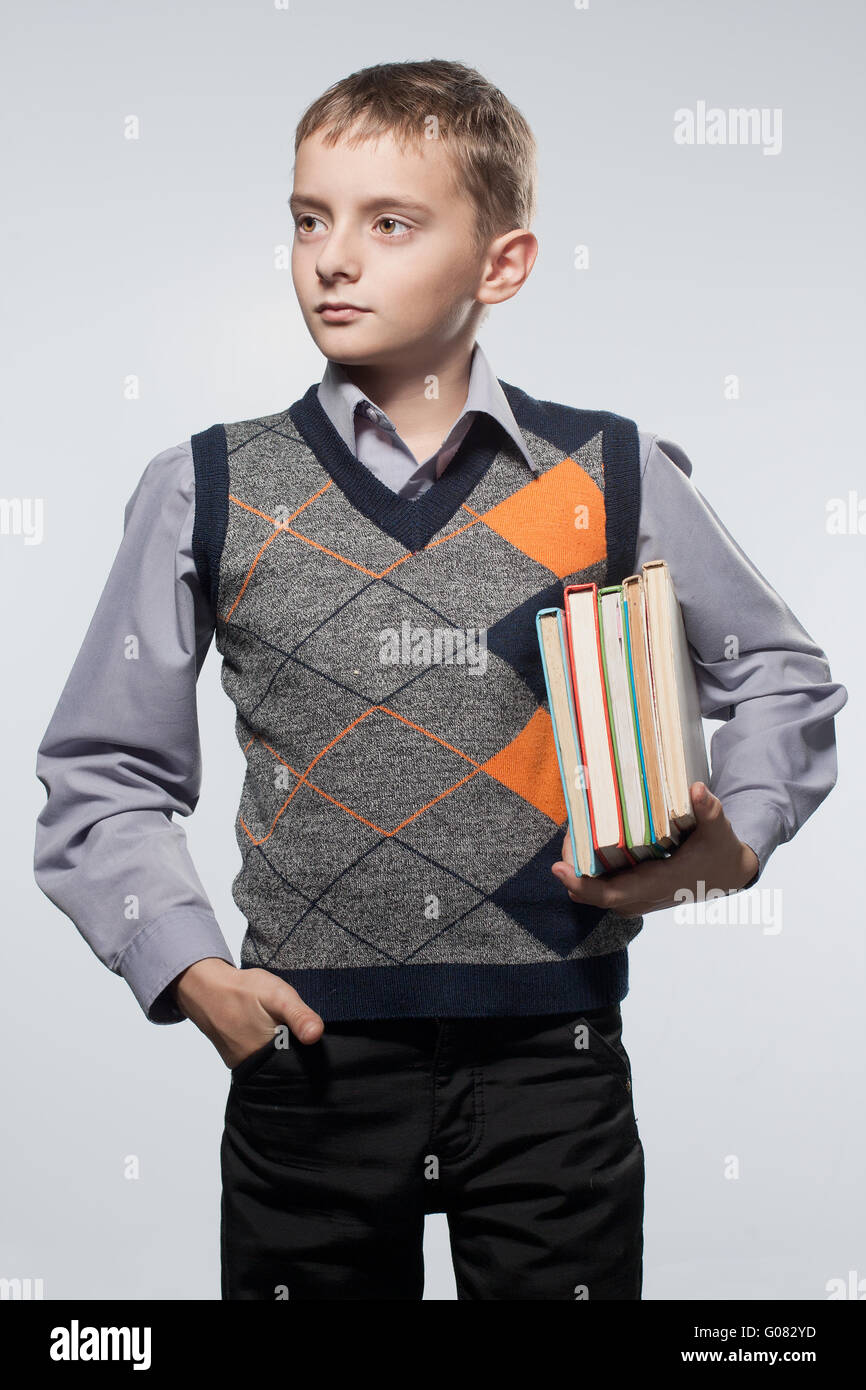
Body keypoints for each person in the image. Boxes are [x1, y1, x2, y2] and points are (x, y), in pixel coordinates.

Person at [33, 59, 847, 1300]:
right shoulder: (206, 485)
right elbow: (105, 766)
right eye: (309, 219)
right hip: (307, 1061)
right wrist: (188, 970)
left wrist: (727, 846)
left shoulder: (602, 472)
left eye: (388, 223)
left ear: (501, 265)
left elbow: (780, 676)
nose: (331, 259)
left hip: (551, 1058)